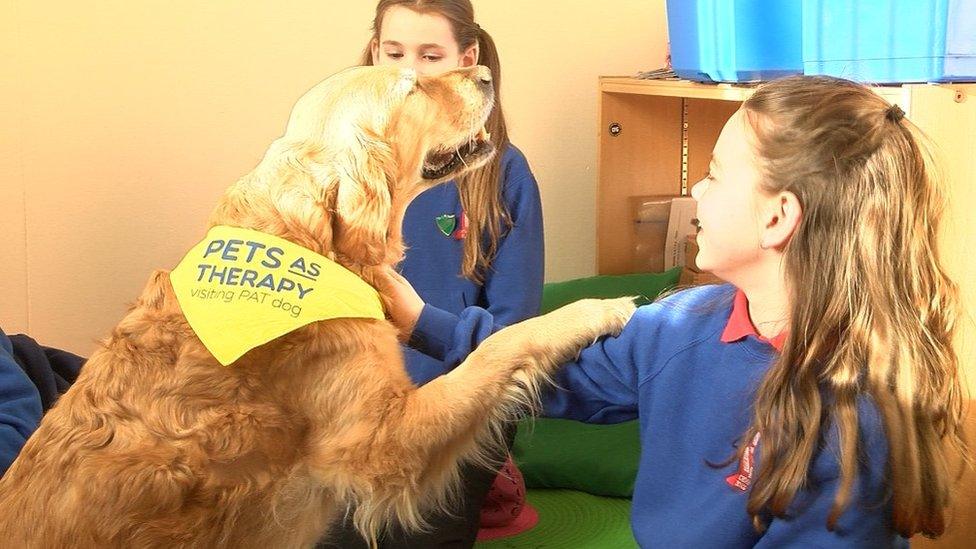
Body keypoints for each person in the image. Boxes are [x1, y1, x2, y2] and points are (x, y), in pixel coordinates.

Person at [382, 75, 967, 547]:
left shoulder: (849, 413)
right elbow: (547, 372)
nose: (698, 191)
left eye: (713, 173)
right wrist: (420, 321)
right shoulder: (684, 325)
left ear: (777, 218)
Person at [320, 1, 544, 547]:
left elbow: (513, 337)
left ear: (466, 62)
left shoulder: (504, 176)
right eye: (394, 53)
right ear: (374, 53)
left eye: (430, 56)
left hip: (450, 408)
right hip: (350, 409)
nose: (409, 73)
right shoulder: (335, 161)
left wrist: (424, 332)